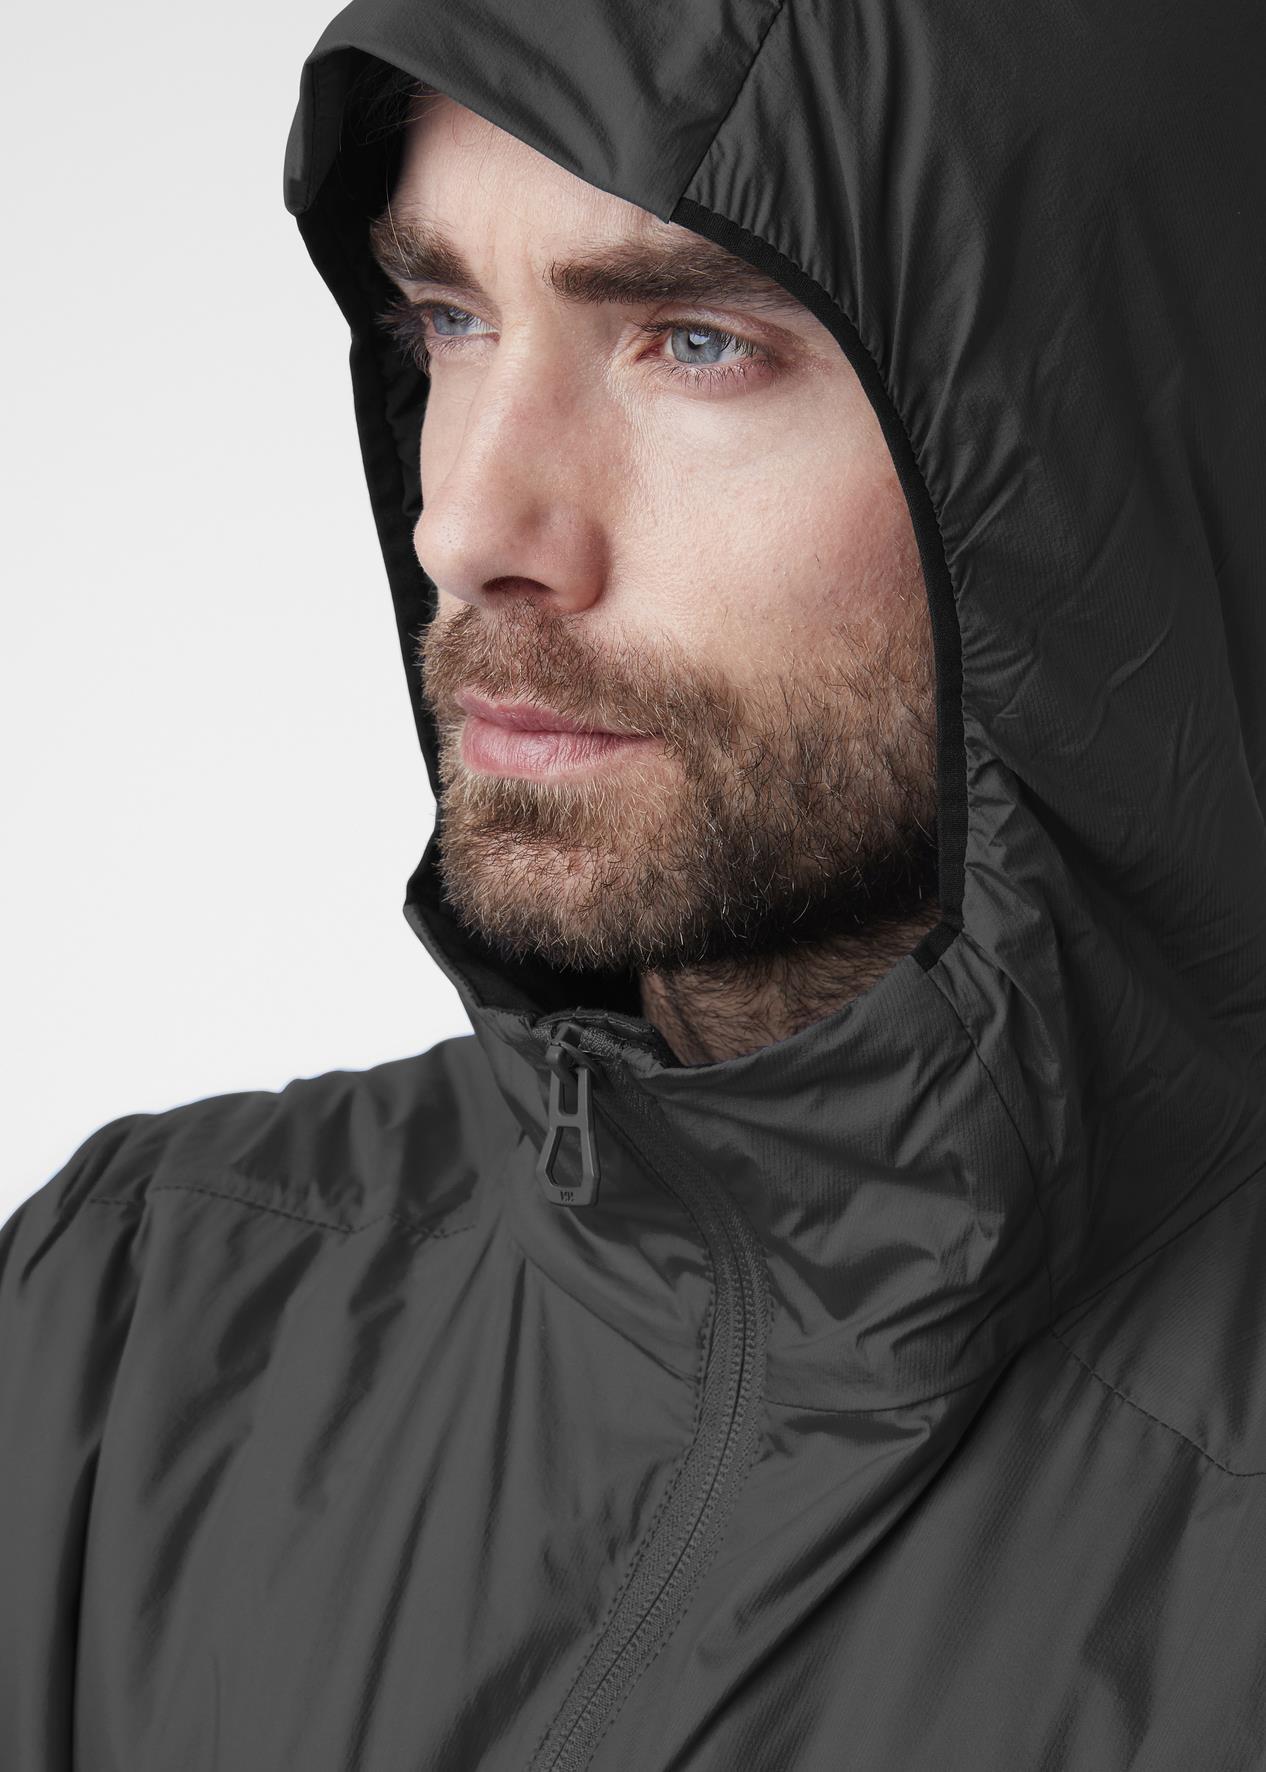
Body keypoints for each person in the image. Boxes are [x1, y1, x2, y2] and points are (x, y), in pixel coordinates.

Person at [2, 3, 1264, 1768]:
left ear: (1091, 451)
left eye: (694, 342)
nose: (468, 526)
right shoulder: (137, 1317)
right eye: (446, 318)